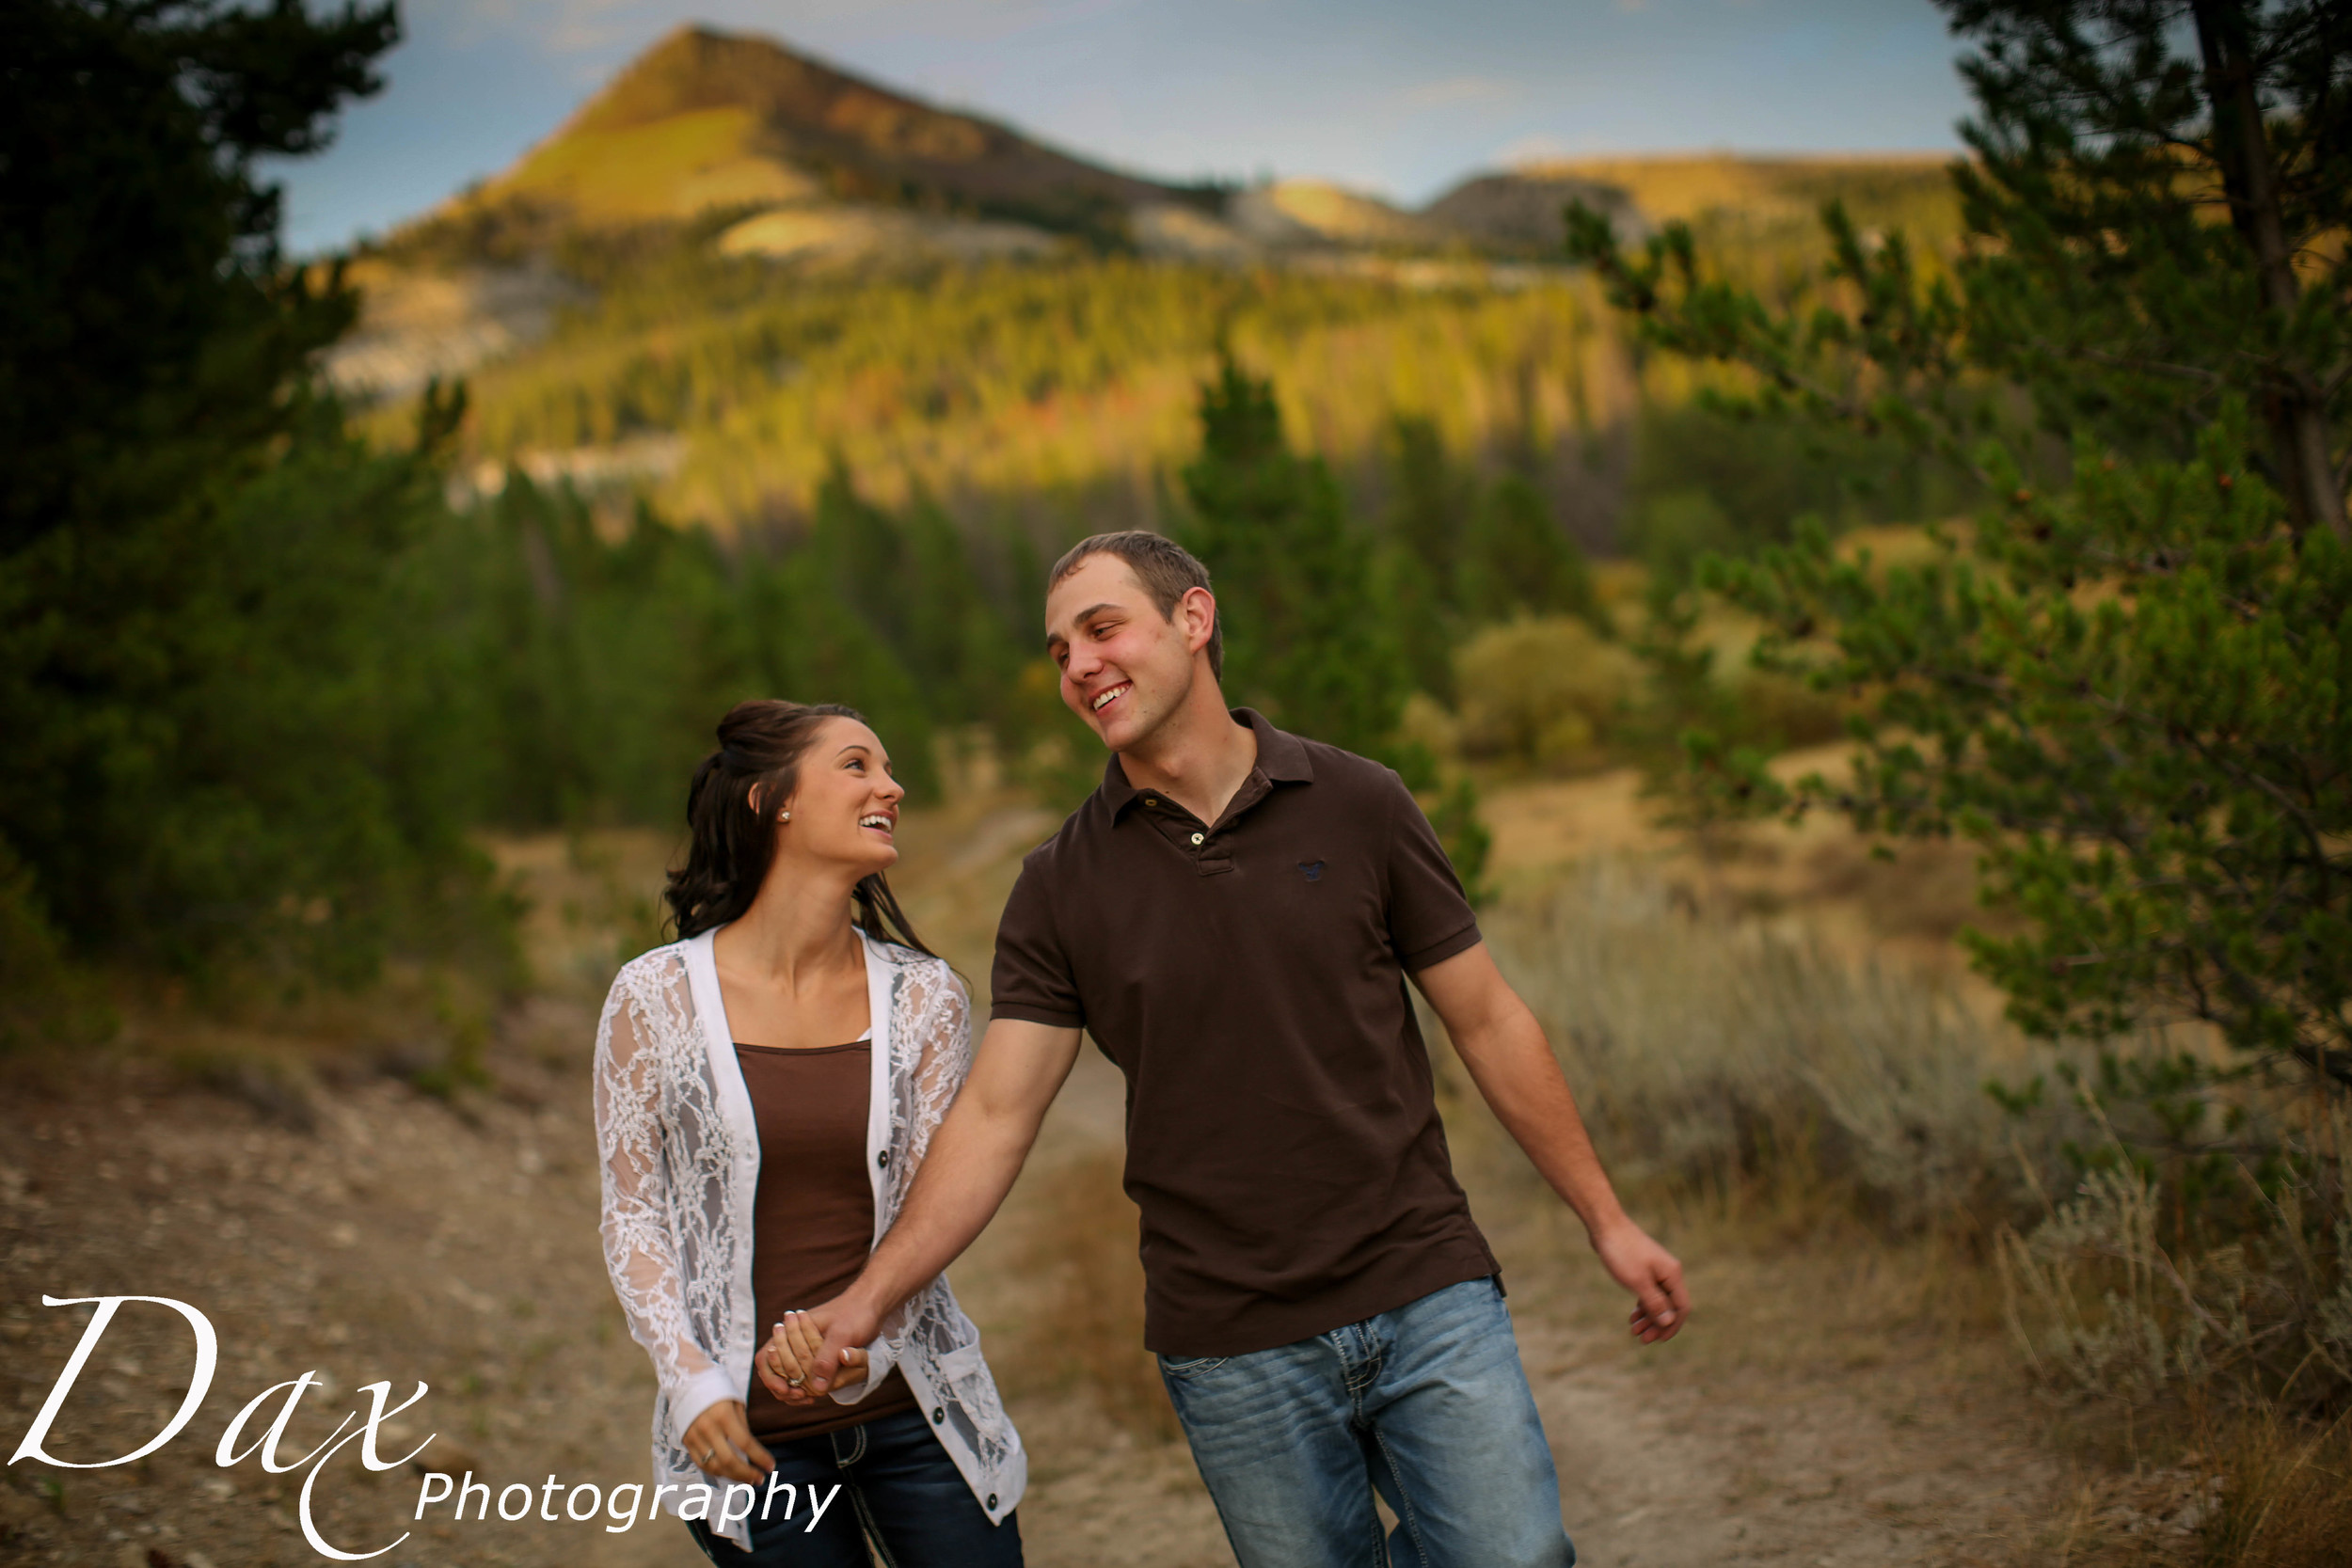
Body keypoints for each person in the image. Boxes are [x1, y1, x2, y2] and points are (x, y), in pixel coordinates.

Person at [771, 533, 1690, 1566]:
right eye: (1058, 649)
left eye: (1103, 628)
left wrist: (1606, 1219)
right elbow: (995, 1115)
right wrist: (865, 1299)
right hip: (1230, 1341)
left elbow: (1487, 1018)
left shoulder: (1360, 803)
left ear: (1194, 620)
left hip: (1425, 1287)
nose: (1078, 665)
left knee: (1517, 1556)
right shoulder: (1059, 885)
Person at [593, 699, 1025, 1566]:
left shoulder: (924, 996)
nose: (892, 787)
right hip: (753, 1449)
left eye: (889, 768)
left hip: (918, 1415)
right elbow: (633, 1212)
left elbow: (933, 1205)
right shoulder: (653, 998)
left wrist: (866, 1337)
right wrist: (691, 1383)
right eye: (858, 764)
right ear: (772, 799)